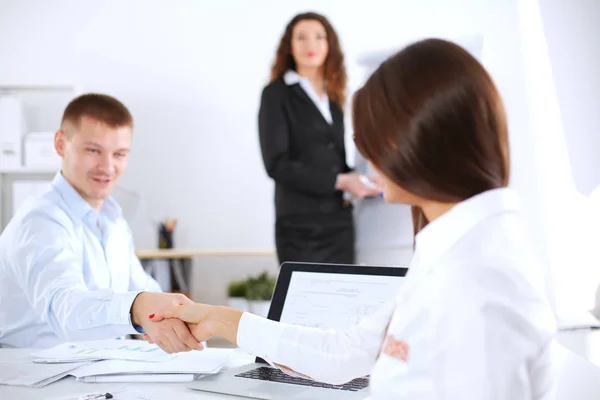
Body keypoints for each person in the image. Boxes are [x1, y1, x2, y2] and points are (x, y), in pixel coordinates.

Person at [148, 38, 557, 398]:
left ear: (413, 139)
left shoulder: (479, 279)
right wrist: (219, 318)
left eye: (369, 140)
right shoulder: (453, 253)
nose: (367, 160)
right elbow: (345, 353)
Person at [0, 93, 202, 353]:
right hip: (38, 377)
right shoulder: (41, 220)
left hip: (99, 372)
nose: (107, 167)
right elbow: (67, 309)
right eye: (94, 150)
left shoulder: (113, 222)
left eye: (119, 154)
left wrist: (183, 317)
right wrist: (138, 308)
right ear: (61, 144)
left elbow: (144, 288)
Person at [258, 12, 380, 265]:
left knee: (346, 300)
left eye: (319, 37)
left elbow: (332, 157)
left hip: (339, 224)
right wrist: (341, 181)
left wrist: (361, 178)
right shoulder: (276, 94)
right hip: (300, 226)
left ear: (329, 45)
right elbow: (277, 164)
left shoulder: (333, 96)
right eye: (301, 38)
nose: (310, 45)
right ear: (289, 46)